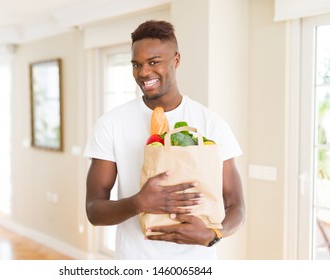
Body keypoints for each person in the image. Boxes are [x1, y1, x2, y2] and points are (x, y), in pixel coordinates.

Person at [84, 20, 245, 259]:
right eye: (136, 64)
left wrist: (214, 235)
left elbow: (236, 206)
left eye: (154, 62)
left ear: (176, 60)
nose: (143, 72)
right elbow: (94, 211)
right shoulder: (111, 124)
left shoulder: (212, 124)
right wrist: (138, 203)